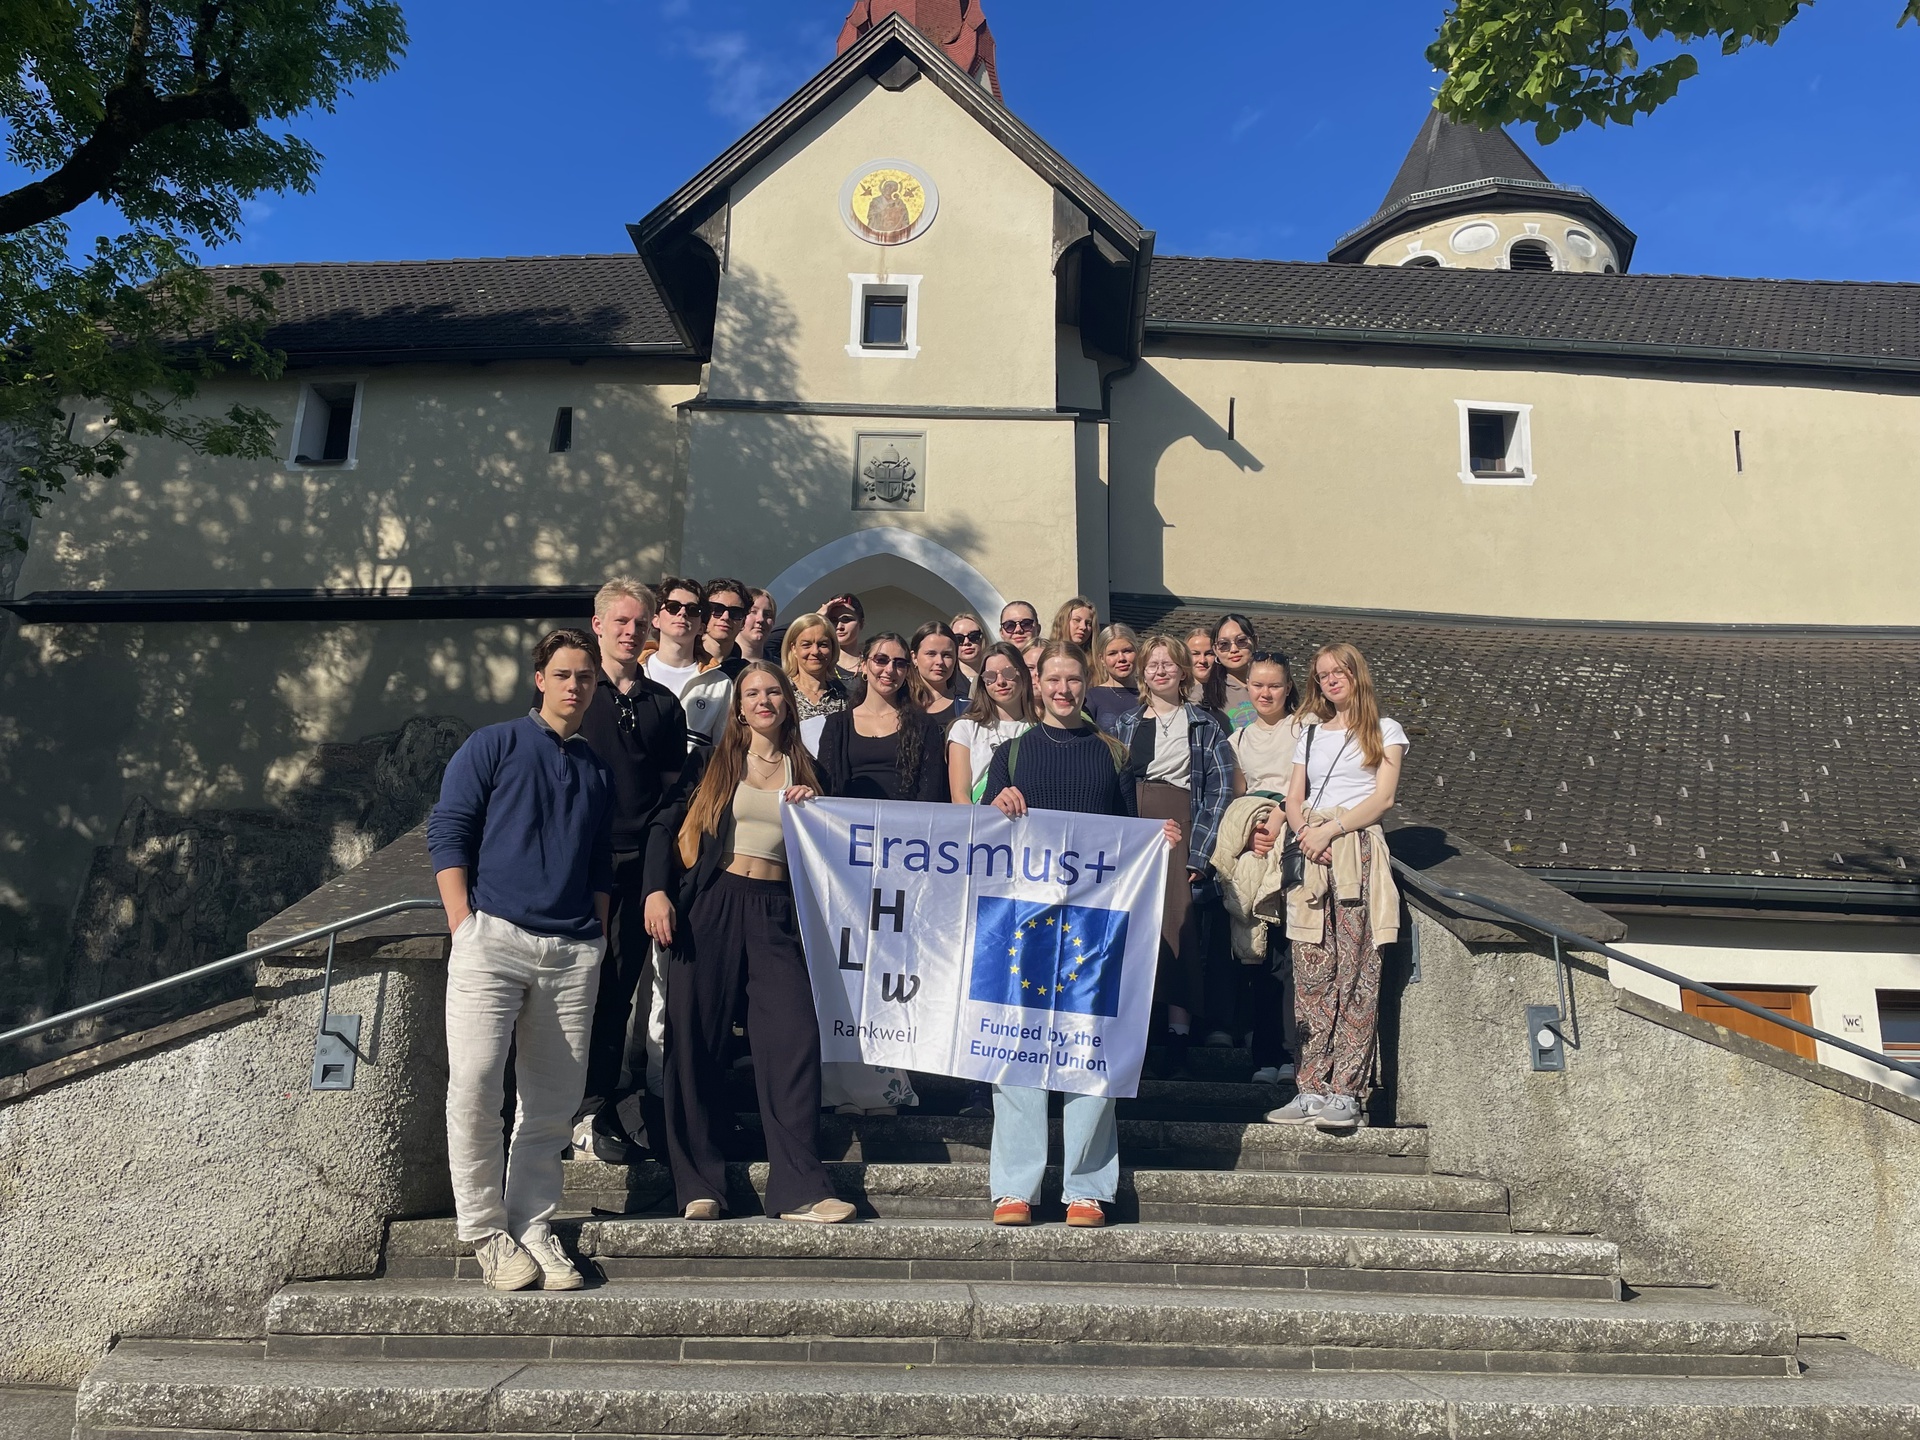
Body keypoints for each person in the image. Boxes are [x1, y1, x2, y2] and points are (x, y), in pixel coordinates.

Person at [428, 628, 614, 1292]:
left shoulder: (595, 768)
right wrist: (462, 925)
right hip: (494, 939)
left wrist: (597, 936)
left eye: (585, 677)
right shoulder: (494, 744)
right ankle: (485, 1231)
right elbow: (448, 830)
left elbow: (600, 864)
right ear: (540, 678)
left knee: (552, 1101)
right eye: (563, 674)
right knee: (476, 1083)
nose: (574, 686)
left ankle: (534, 1226)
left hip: (570, 952)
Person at [980, 640, 1181, 1229]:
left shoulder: (1111, 753)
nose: (1063, 689)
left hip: (1094, 927)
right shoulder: (1011, 753)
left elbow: (1125, 837)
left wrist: (1156, 838)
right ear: (1035, 683)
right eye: (1053, 679)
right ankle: (1014, 1186)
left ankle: (1087, 1188)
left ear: (1083, 684)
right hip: (1023, 922)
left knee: (1090, 1050)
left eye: (1073, 679)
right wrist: (998, 802)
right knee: (1016, 1047)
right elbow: (985, 836)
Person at [662, 661, 856, 1223]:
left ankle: (800, 1189)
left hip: (779, 914)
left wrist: (814, 808)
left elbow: (838, 846)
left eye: (774, 691)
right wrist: (657, 892)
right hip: (714, 904)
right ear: (738, 706)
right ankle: (698, 1184)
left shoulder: (810, 768)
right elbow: (664, 826)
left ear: (788, 702)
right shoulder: (711, 762)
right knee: (695, 1040)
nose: (764, 700)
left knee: (793, 1037)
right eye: (752, 692)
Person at [570, 581, 689, 1166]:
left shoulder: (664, 705)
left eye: (640, 622)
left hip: (637, 866)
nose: (630, 630)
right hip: (572, 869)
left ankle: (592, 1111)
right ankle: (541, 1111)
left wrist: (656, 878)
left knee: (617, 991)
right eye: (620, 620)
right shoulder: (572, 695)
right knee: (565, 988)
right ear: (598, 625)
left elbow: (670, 802)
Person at [1265, 643, 1407, 1134]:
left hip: (1356, 849)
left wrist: (1332, 830)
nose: (1330, 680)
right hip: (1312, 853)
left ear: (1356, 675)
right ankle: (1310, 1087)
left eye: (1338, 672)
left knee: (1358, 971)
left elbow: (1382, 797)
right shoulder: (1308, 734)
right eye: (1322, 675)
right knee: (1312, 972)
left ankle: (1346, 1091)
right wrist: (1307, 833)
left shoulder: (1385, 731)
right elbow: (1294, 795)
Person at [813, 632, 943, 1114]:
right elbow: (826, 792)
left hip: (902, 872)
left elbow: (928, 803)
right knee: (847, 972)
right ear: (864, 665)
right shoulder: (837, 726)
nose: (889, 670)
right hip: (849, 870)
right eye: (880, 660)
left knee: (891, 976)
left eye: (899, 663)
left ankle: (887, 1085)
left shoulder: (925, 728)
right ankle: (841, 1089)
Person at [1113, 633, 1237, 1073]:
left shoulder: (1204, 725)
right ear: (1142, 672)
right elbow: (1113, 784)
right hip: (1134, 831)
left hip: (1177, 829)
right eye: (1152, 664)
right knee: (1132, 930)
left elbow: (1221, 790)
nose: (1160, 670)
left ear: (1183, 671)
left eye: (1168, 663)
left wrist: (1197, 854)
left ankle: (1178, 1034)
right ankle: (1136, 1030)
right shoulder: (1124, 725)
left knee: (1175, 929)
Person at [1232, 652, 1300, 1085]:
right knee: (1255, 949)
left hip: (1294, 842)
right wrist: (1251, 833)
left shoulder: (1303, 729)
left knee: (1288, 951)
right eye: (1258, 684)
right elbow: (1238, 800)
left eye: (1274, 685)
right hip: (1256, 850)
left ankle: (1292, 1052)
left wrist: (1278, 816)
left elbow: (1306, 784)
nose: (1265, 692)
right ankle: (1264, 1054)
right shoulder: (1237, 740)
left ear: (1288, 687)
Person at [642, 577, 733, 746]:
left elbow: (723, 751)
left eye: (693, 610)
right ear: (655, 620)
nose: (682, 613)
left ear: (701, 628)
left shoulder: (720, 684)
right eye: (673, 607)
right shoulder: (635, 672)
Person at [947, 641, 1037, 804]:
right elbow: (960, 796)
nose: (1000, 681)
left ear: (1023, 674)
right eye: (990, 676)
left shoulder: (1039, 729)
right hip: (980, 822)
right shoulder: (964, 728)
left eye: (1009, 672)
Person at [1083, 623, 1141, 732]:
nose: (1121, 658)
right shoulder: (1092, 697)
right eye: (1112, 653)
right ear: (1102, 659)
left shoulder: (1150, 695)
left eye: (1127, 651)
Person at [908, 619, 965, 725]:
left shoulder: (967, 709)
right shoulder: (897, 705)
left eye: (947, 655)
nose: (939, 662)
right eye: (931, 654)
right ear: (914, 657)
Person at [1210, 613, 1260, 730]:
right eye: (1223, 644)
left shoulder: (1276, 683)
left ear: (1255, 641)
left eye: (1241, 640)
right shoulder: (1202, 695)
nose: (1233, 649)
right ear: (1215, 650)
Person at [701, 578, 752, 671]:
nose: (725, 617)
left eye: (735, 612)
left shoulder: (746, 674)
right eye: (717, 609)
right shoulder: (683, 661)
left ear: (743, 622)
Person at [1185, 625, 1228, 718]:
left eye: (1209, 653)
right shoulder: (1175, 694)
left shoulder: (1230, 689)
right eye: (1195, 654)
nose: (1202, 660)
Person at [825, 594, 865, 680]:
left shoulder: (874, 663)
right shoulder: (820, 662)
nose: (839, 626)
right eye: (833, 620)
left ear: (861, 623)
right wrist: (819, 617)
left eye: (846, 619)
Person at [736, 588, 777, 662]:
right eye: (753, 611)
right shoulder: (720, 664)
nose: (760, 619)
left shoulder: (781, 669)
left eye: (767, 614)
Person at [951, 612, 988, 685]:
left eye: (973, 636)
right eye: (959, 638)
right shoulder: (946, 682)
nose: (966, 642)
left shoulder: (998, 676)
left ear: (982, 638)